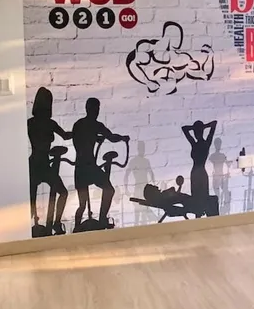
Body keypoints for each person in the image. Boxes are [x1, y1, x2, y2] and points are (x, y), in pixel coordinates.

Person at [72, 98, 129, 229]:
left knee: (102, 193)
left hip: (83, 168)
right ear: (88, 109)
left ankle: (91, 223)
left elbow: (81, 140)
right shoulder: (95, 125)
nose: (96, 112)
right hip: (86, 168)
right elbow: (111, 137)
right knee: (84, 203)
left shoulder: (81, 124)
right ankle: (86, 225)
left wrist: (95, 137)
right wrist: (122, 138)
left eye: (97, 109)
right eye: (94, 109)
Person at [27, 87, 71, 235]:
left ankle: (54, 223)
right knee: (61, 193)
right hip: (40, 164)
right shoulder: (48, 123)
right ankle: (53, 223)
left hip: (38, 164)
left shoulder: (31, 123)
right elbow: (65, 136)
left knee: (61, 193)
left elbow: (64, 136)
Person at [182, 120, 217, 216]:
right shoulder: (196, 143)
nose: (195, 133)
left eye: (197, 131)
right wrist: (200, 127)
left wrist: (201, 127)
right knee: (197, 200)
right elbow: (184, 129)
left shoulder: (204, 143)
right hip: (196, 174)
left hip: (199, 173)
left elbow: (214, 124)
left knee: (201, 200)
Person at [123, 141, 157, 225]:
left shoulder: (146, 161)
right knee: (137, 212)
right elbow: (126, 174)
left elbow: (151, 173)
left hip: (146, 189)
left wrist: (155, 185)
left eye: (143, 148)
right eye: (141, 148)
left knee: (144, 213)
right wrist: (126, 188)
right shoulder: (134, 161)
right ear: (138, 149)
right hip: (138, 188)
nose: (142, 150)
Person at [209, 137, 230, 202]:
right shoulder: (213, 156)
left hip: (220, 176)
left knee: (223, 191)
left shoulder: (221, 155)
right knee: (218, 193)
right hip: (216, 176)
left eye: (219, 144)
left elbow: (227, 164)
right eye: (217, 144)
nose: (219, 146)